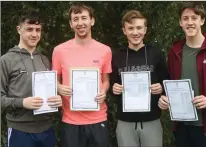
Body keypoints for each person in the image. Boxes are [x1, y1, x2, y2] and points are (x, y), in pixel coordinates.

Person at [158, 2, 206, 147]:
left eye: (194, 18)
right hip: (182, 126)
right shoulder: (175, 52)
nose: (190, 22)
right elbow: (169, 83)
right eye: (185, 18)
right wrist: (164, 97)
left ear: (202, 20)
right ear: (180, 22)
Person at [52, 3, 112, 147]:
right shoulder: (59, 51)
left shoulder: (105, 50)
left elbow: (106, 80)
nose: (80, 23)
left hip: (98, 119)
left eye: (84, 18)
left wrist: (103, 91)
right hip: (70, 121)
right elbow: (54, 81)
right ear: (70, 24)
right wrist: (59, 88)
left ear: (92, 21)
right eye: (76, 19)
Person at [1, 10, 62, 147]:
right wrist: (23, 102)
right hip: (20, 130)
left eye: (38, 30)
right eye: (29, 29)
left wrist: (57, 99)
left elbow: (51, 92)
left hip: (47, 129)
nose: (34, 34)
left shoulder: (45, 60)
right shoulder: (6, 61)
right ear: (19, 29)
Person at [110, 10, 169, 147]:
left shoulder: (156, 53)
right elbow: (111, 85)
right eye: (130, 28)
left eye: (139, 28)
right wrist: (114, 88)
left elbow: (167, 82)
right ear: (124, 30)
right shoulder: (117, 55)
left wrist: (161, 88)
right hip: (125, 122)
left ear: (145, 29)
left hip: (151, 120)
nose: (135, 32)